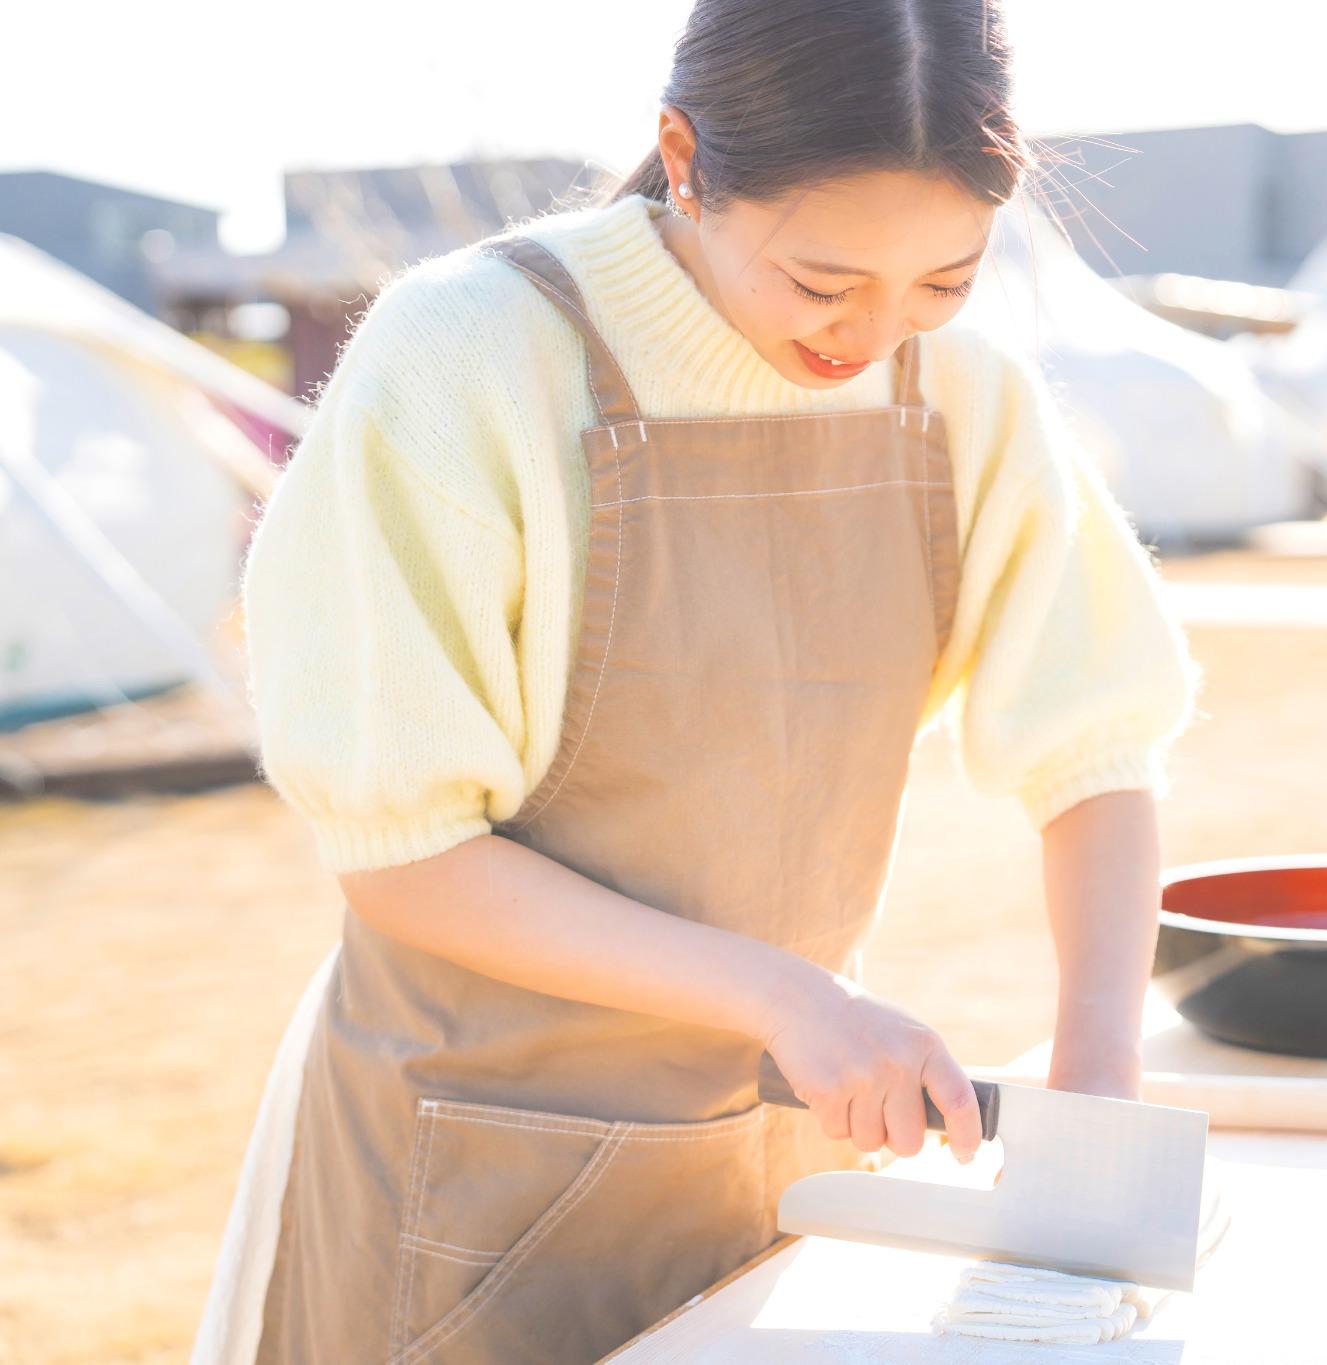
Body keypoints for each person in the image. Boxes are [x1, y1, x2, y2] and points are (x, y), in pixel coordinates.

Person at [195, 2, 1202, 1361]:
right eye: (820, 282)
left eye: (943, 282)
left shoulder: (962, 393)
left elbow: (1095, 748)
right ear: (682, 155)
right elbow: (404, 852)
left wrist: (1096, 1088)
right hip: (470, 1172)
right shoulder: (469, 355)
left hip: (777, 1168)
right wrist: (794, 997)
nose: (873, 336)